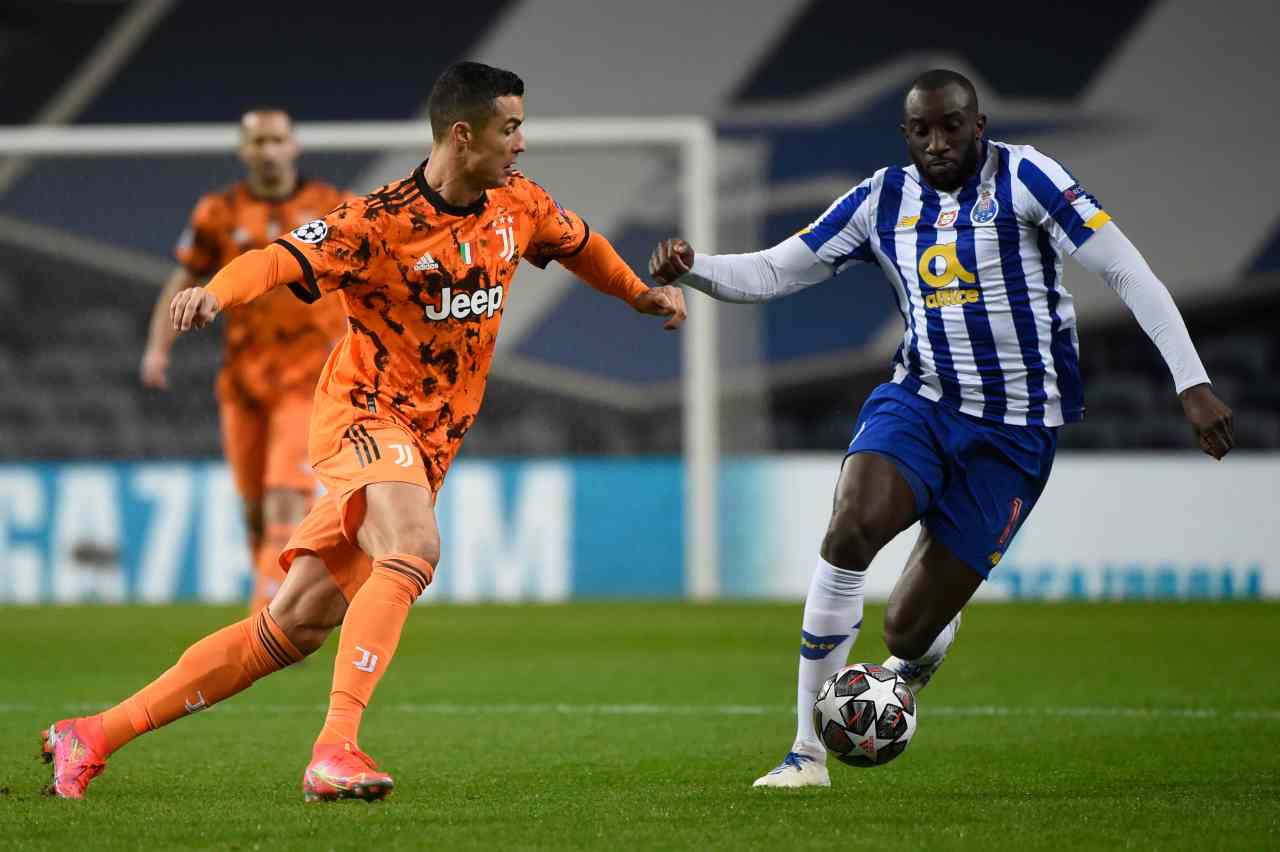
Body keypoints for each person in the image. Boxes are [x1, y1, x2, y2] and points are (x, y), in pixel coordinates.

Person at [43, 61, 686, 802]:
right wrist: (213, 295)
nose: (522, 143)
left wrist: (640, 295)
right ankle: (334, 749)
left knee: (290, 629)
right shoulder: (376, 222)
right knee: (412, 547)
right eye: (510, 128)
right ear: (463, 134)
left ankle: (91, 734)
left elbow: (582, 246)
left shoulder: (519, 203)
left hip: (431, 442)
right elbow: (278, 258)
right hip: (365, 415)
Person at [649, 68, 1234, 789]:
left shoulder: (1030, 178)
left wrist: (1192, 380)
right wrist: (696, 267)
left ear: (978, 125)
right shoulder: (881, 198)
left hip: (1015, 435)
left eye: (952, 126)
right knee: (850, 529)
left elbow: (1124, 269)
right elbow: (777, 271)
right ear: (906, 134)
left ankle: (923, 644)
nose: (938, 141)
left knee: (904, 631)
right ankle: (806, 753)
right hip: (920, 401)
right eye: (923, 129)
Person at [141, 108, 348, 614]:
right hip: (242, 379)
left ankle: (269, 618)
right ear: (244, 151)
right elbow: (184, 277)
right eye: (258, 142)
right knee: (255, 509)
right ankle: (277, 603)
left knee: (285, 496)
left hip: (309, 375)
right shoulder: (218, 212)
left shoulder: (330, 207)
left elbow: (360, 277)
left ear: (294, 146)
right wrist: (158, 347)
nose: (269, 151)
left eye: (277, 140)